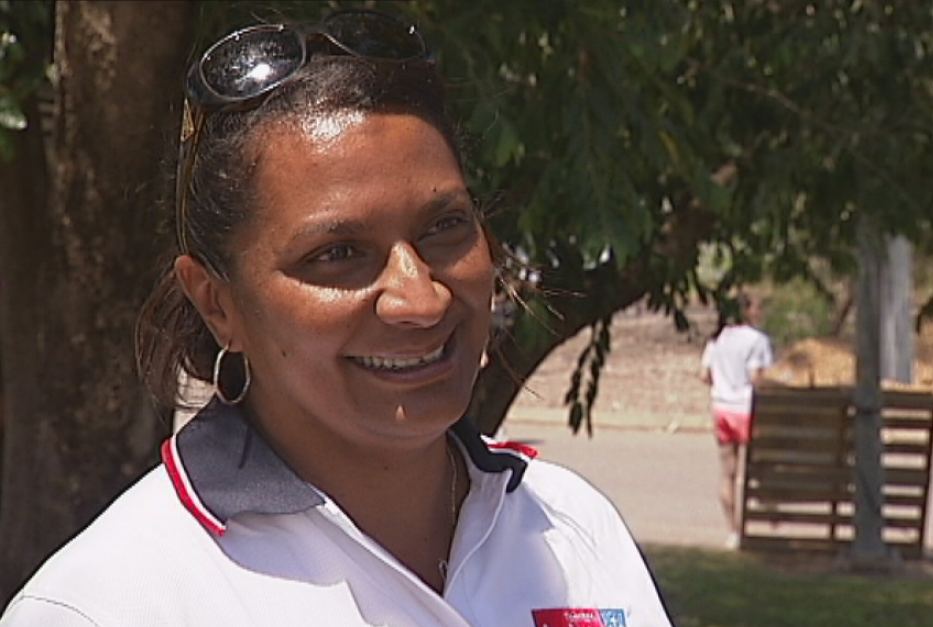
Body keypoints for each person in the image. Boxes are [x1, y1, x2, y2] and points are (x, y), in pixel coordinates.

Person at [1, 10, 672, 627]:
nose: (421, 299)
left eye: (444, 226)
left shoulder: (571, 527)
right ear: (217, 303)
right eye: (338, 253)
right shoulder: (106, 603)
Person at [699, 292, 773, 549]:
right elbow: (756, 378)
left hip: (722, 408)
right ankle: (745, 526)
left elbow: (704, 374)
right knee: (744, 473)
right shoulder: (757, 340)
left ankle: (732, 530)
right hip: (745, 408)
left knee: (727, 473)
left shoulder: (717, 339)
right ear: (747, 312)